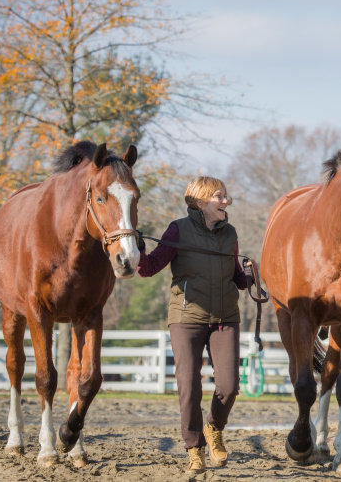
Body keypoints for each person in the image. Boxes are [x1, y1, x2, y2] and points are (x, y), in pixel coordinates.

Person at [137, 176, 253, 475]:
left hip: (225, 317)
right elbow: (148, 268)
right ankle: (194, 447)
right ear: (200, 201)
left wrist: (250, 276)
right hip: (187, 317)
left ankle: (214, 428)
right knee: (189, 386)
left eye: (226, 196)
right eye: (219, 196)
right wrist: (137, 249)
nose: (226, 201)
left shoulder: (231, 234)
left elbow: (237, 279)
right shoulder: (178, 229)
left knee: (229, 387)